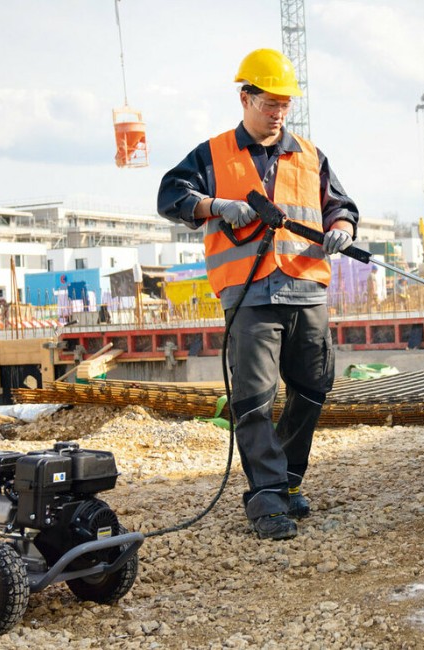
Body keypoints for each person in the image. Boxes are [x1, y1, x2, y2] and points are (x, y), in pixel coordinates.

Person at [157, 48, 358, 540]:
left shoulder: (311, 155)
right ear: (245, 97)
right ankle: (266, 500)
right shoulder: (213, 153)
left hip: (306, 289)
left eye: (285, 105)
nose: (278, 112)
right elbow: (170, 195)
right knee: (254, 398)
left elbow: (342, 205)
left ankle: (287, 482)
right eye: (270, 103)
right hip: (250, 296)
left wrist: (343, 228)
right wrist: (215, 204)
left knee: (312, 389)